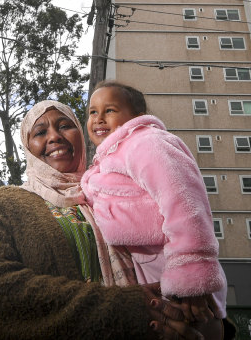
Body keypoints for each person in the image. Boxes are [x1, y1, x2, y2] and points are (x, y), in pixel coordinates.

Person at [0, 100, 205, 339]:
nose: (54, 136)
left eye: (65, 125)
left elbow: (167, 249)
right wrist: (126, 309)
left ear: (81, 136)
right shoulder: (2, 205)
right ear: (27, 148)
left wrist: (193, 314)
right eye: (40, 132)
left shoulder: (117, 195)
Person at [81, 81, 231, 335]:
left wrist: (191, 277)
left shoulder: (146, 142)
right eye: (93, 112)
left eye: (110, 110)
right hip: (143, 270)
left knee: (195, 325)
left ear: (137, 117)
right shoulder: (105, 162)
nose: (99, 118)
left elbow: (184, 203)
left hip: (173, 264)